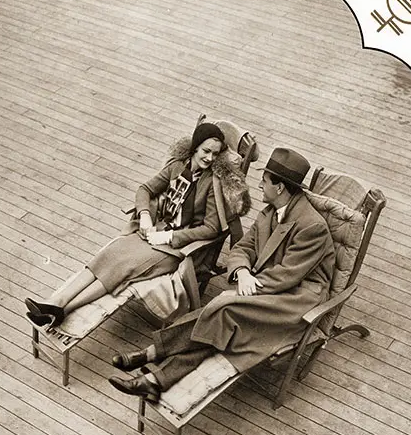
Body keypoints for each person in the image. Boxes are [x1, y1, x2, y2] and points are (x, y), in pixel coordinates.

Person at [108, 147, 336, 403]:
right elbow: (243, 248)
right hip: (267, 281)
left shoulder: (312, 226)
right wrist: (241, 270)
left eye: (265, 180)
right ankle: (154, 379)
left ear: (280, 187)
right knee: (221, 322)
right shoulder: (271, 211)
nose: (260, 184)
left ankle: (150, 354)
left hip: (297, 298)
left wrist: (248, 282)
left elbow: (288, 275)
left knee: (223, 308)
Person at [25, 122, 250, 327]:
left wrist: (171, 238)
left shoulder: (212, 183)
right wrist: (144, 215)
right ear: (194, 148)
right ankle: (54, 302)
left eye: (215, 154)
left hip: (175, 247)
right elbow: (145, 189)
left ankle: (63, 309)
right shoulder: (176, 167)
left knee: (122, 268)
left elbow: (211, 228)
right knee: (109, 254)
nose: (210, 158)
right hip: (154, 231)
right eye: (206, 151)